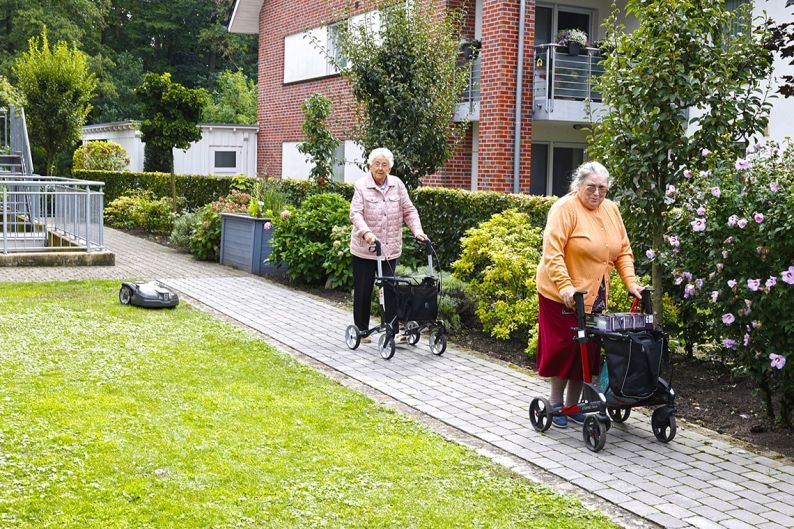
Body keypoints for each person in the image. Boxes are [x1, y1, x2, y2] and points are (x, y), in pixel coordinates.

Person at [535, 161, 643, 428]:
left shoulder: (611, 210)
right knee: (566, 348)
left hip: (594, 293)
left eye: (602, 189)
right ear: (578, 185)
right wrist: (565, 286)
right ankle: (556, 403)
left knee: (587, 349)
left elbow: (623, 251)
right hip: (560, 294)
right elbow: (553, 253)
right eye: (591, 187)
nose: (597, 193)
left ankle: (573, 405)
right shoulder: (564, 208)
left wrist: (631, 282)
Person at [349, 147, 427, 343]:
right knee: (364, 290)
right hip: (365, 249)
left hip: (389, 249)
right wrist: (366, 232)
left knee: (390, 288)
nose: (380, 168)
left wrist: (418, 231)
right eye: (377, 164)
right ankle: (362, 330)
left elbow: (409, 211)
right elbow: (355, 213)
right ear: (370, 166)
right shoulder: (361, 186)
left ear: (390, 168)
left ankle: (393, 330)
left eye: (384, 165)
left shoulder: (397, 185)